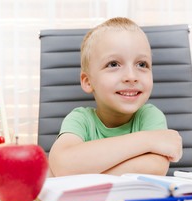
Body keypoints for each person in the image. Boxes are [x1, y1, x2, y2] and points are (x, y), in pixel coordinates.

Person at [48, 17, 182, 177]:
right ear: (88, 81)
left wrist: (83, 171)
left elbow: (154, 168)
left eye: (142, 64)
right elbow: (63, 164)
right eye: (113, 64)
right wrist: (148, 140)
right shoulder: (80, 119)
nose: (131, 77)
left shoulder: (149, 116)